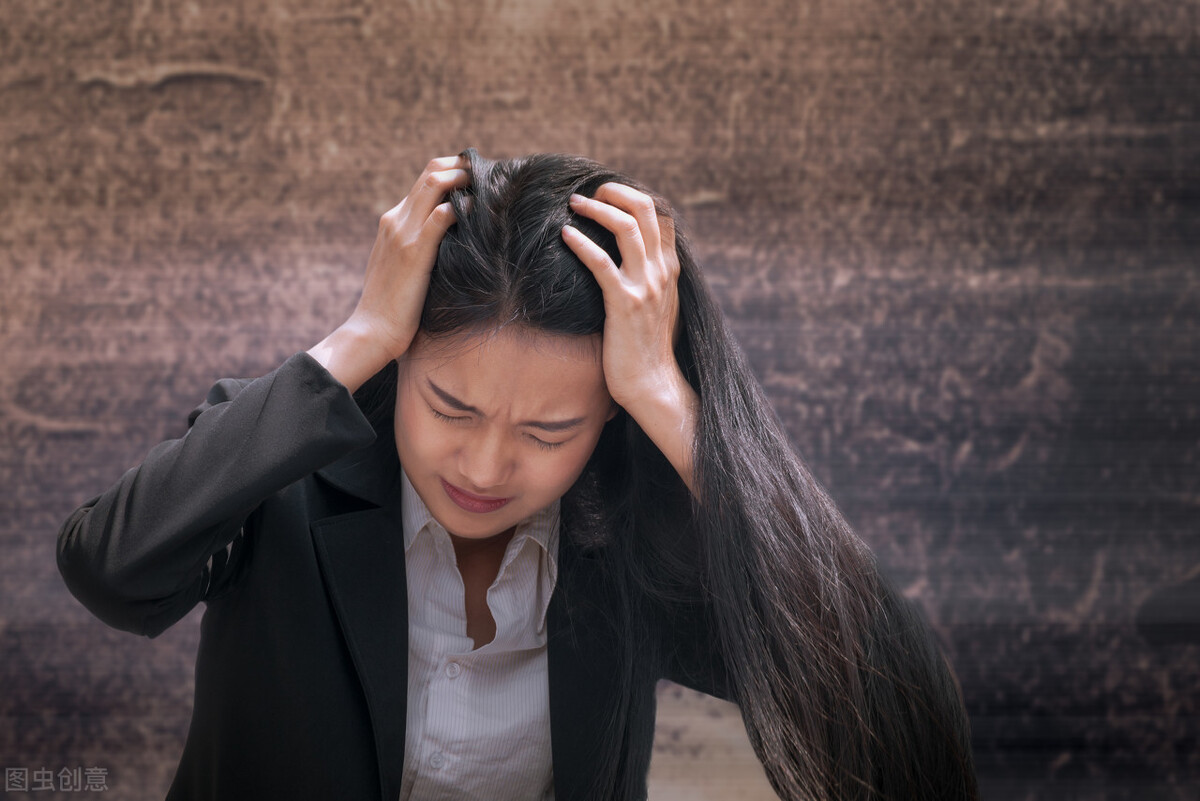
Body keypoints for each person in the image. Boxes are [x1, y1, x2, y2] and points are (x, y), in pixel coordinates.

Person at [58, 149, 979, 801]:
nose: (488, 467)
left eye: (551, 429)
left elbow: (896, 709)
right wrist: (361, 335)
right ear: (402, 364)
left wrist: (674, 404)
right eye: (451, 408)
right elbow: (112, 571)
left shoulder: (626, 535)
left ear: (607, 415)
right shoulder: (280, 464)